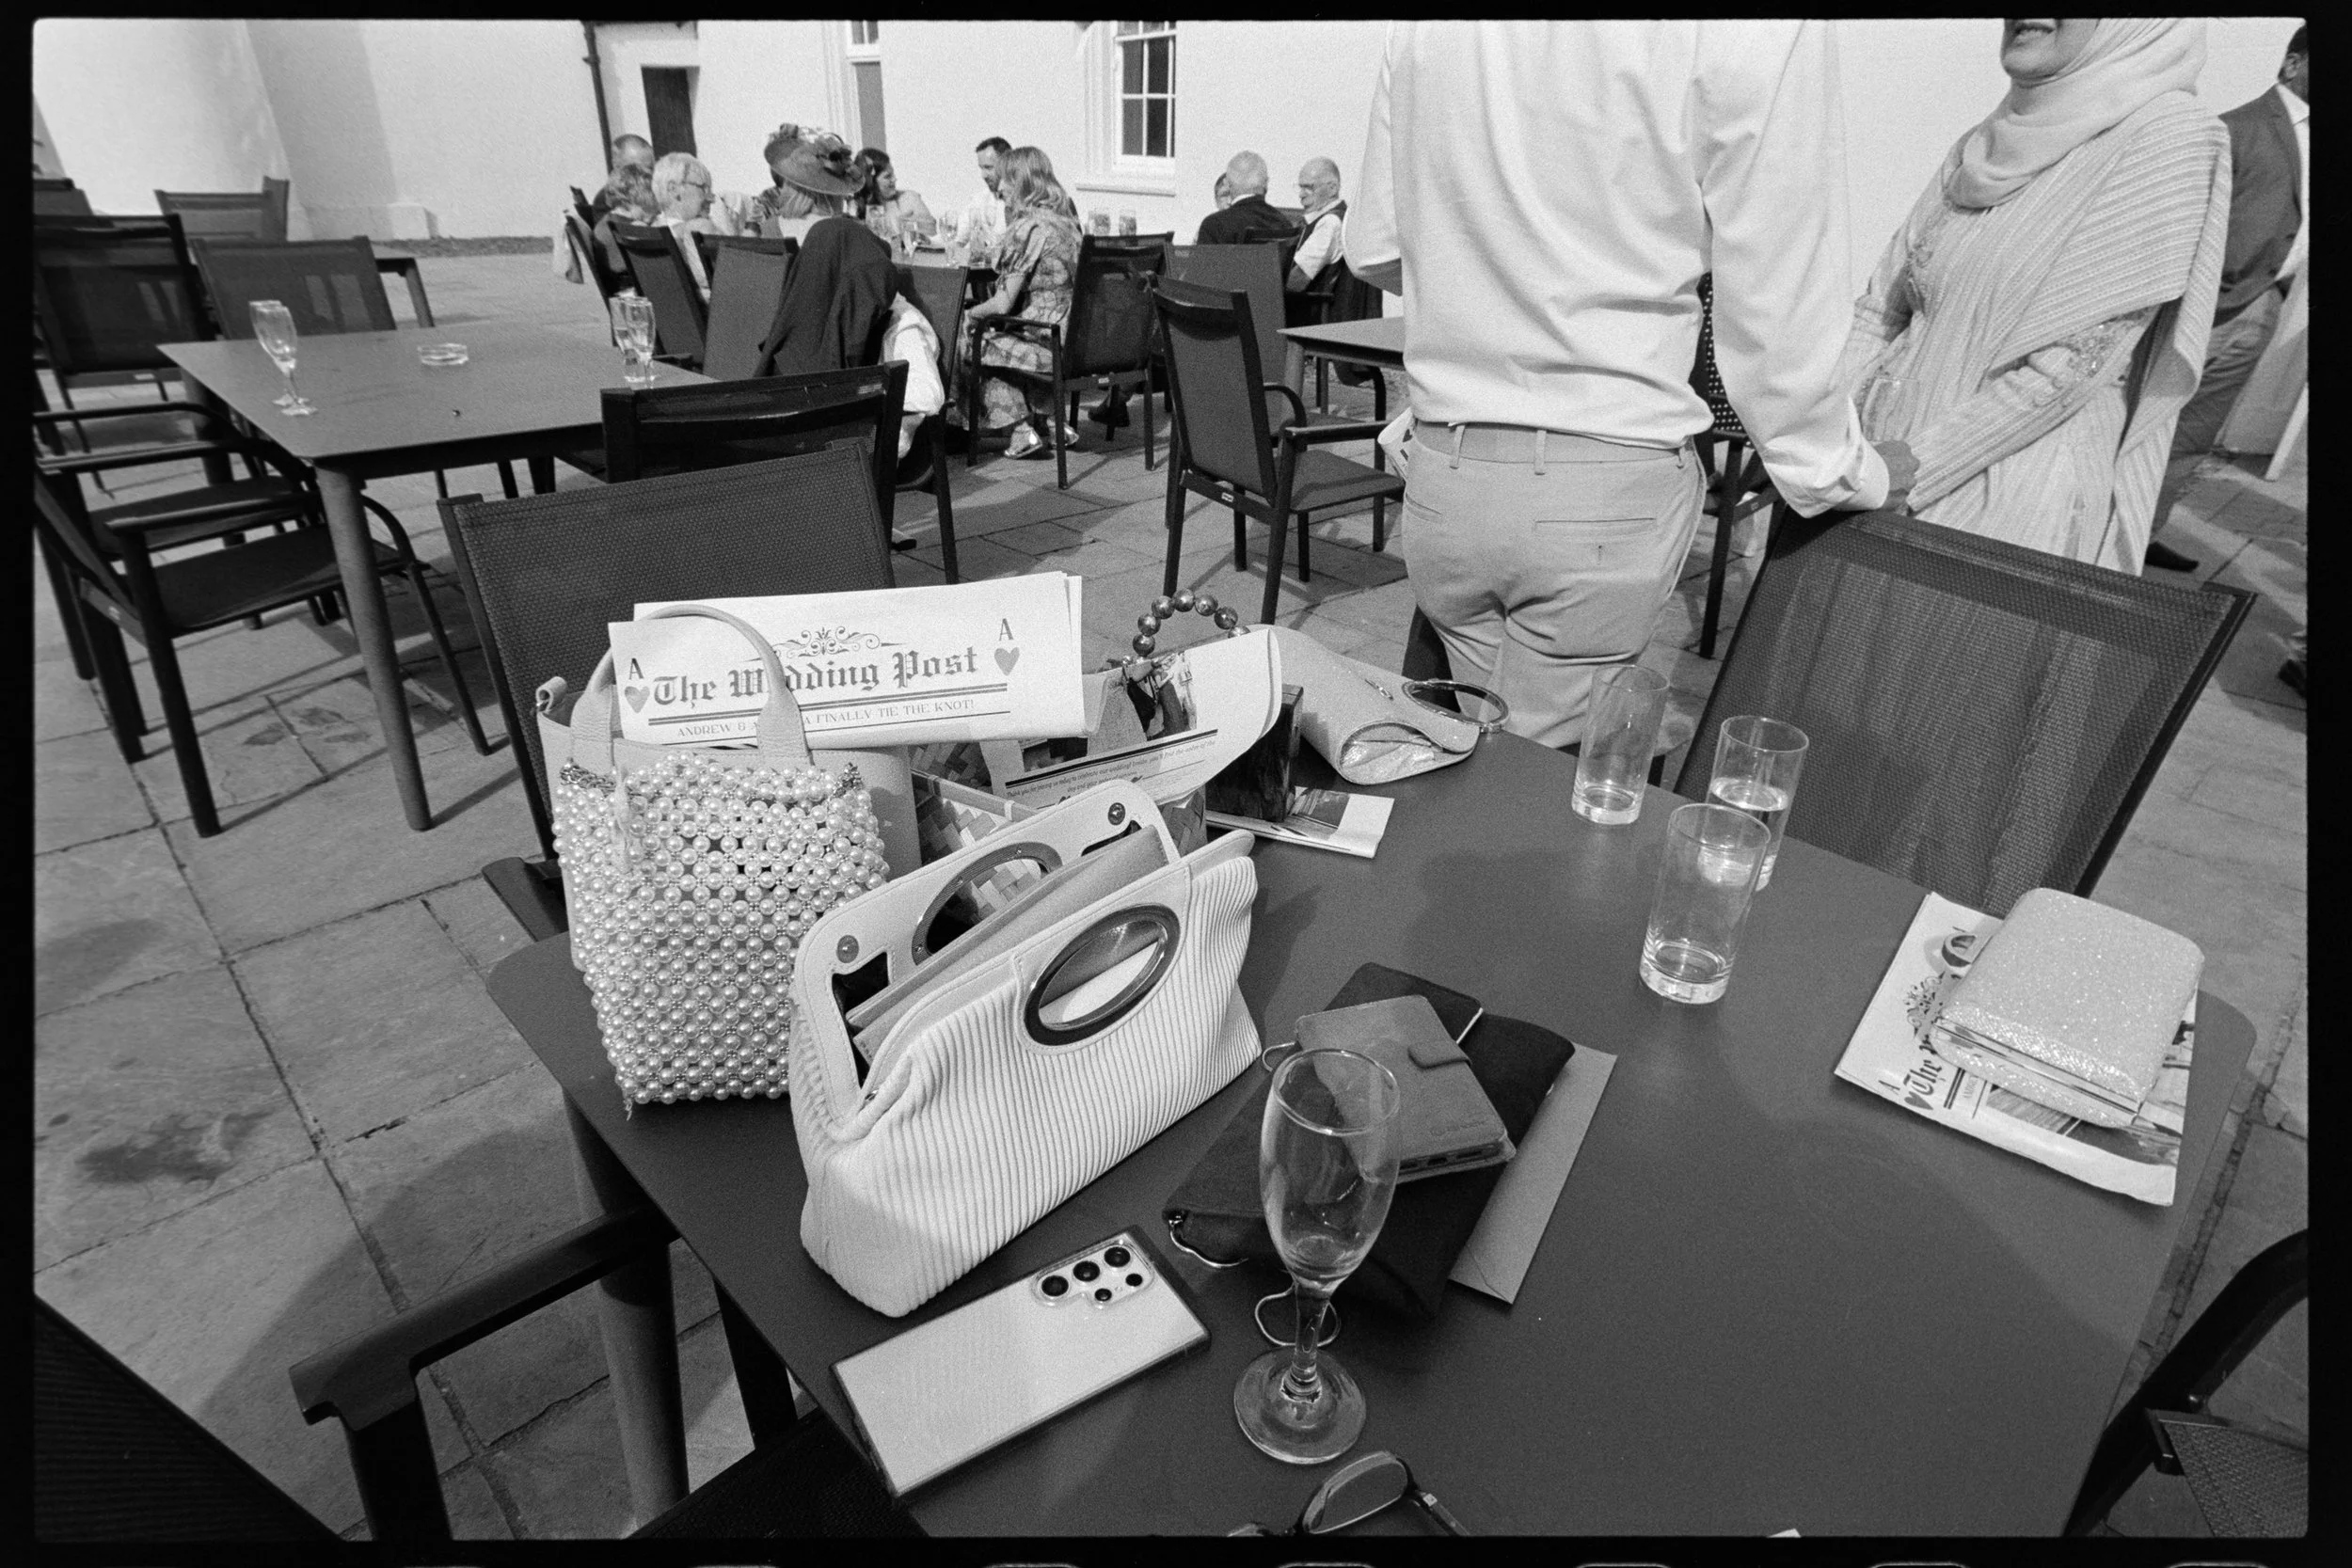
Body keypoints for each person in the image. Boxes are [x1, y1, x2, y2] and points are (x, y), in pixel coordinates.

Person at [1347, 22, 1908, 750]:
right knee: (1530, 801)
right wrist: (1839, 470)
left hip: (1448, 472)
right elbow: (1778, 289)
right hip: (1604, 479)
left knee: (1467, 766)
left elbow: (1378, 248)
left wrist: (1493, 287)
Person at [1841, 21, 2229, 575]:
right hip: (1876, 471)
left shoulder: (2171, 138)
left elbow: (2071, 366)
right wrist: (1830, 442)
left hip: (1997, 499)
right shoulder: (1985, 142)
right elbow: (1881, 308)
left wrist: (1912, 470)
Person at [2144, 23, 2307, 575]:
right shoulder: (2235, 129)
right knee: (2144, 424)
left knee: (2193, 438)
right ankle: (2102, 533)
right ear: (2292, 65)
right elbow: (2176, 222)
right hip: (2201, 308)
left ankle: (2146, 532)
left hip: (2263, 306)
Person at [962, 146, 1085, 460]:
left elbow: (1003, 304)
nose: (999, 187)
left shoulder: (1029, 228)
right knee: (1006, 342)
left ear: (1021, 181)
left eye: (1004, 180)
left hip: (1047, 342)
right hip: (1077, 342)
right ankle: (1054, 423)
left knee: (975, 337)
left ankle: (1019, 430)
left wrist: (969, 314)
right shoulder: (1068, 225)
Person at [754, 134, 898, 379]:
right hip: (814, 346)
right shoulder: (835, 236)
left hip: (768, 341)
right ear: (833, 194)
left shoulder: (769, 228)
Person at [650, 151, 737, 300]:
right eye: (703, 188)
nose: (711, 197)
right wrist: (721, 215)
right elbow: (738, 272)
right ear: (674, 189)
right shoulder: (699, 229)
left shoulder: (651, 231)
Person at [1195, 150, 1296, 245]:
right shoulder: (1284, 223)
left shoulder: (1214, 225)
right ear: (1265, 183)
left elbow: (1204, 264)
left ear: (1228, 183)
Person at [591, 162, 660, 277]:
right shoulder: (632, 228)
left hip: (617, 279)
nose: (654, 213)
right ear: (628, 201)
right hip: (633, 284)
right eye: (648, 207)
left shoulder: (608, 220)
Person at [859, 147, 938, 246]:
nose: (894, 179)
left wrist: (910, 228)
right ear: (872, 181)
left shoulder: (908, 198)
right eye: (888, 176)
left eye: (893, 174)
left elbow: (931, 232)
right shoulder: (858, 207)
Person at [954, 135, 1012, 256]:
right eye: (981, 168)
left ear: (1007, 164)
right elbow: (957, 237)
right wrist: (924, 240)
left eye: (989, 168)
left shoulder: (1023, 200)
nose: (983, 175)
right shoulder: (980, 199)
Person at [588, 134, 655, 220]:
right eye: (636, 170)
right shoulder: (609, 200)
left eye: (651, 168)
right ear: (616, 165)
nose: (648, 175)